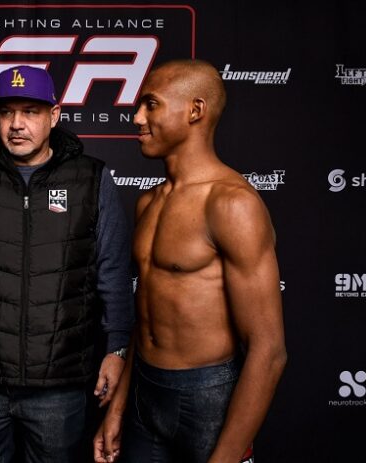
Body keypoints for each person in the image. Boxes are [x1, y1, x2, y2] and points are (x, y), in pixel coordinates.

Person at [0, 65, 134, 462]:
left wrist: (117, 347)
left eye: (30, 111)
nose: (16, 124)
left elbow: (113, 273)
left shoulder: (91, 178)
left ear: (54, 115)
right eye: (6, 112)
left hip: (59, 383)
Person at [93, 59, 287, 463]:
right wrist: (118, 408)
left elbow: (268, 350)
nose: (137, 118)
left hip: (207, 396)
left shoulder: (231, 204)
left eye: (151, 105)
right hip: (145, 390)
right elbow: (147, 315)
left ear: (195, 110)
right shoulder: (149, 202)